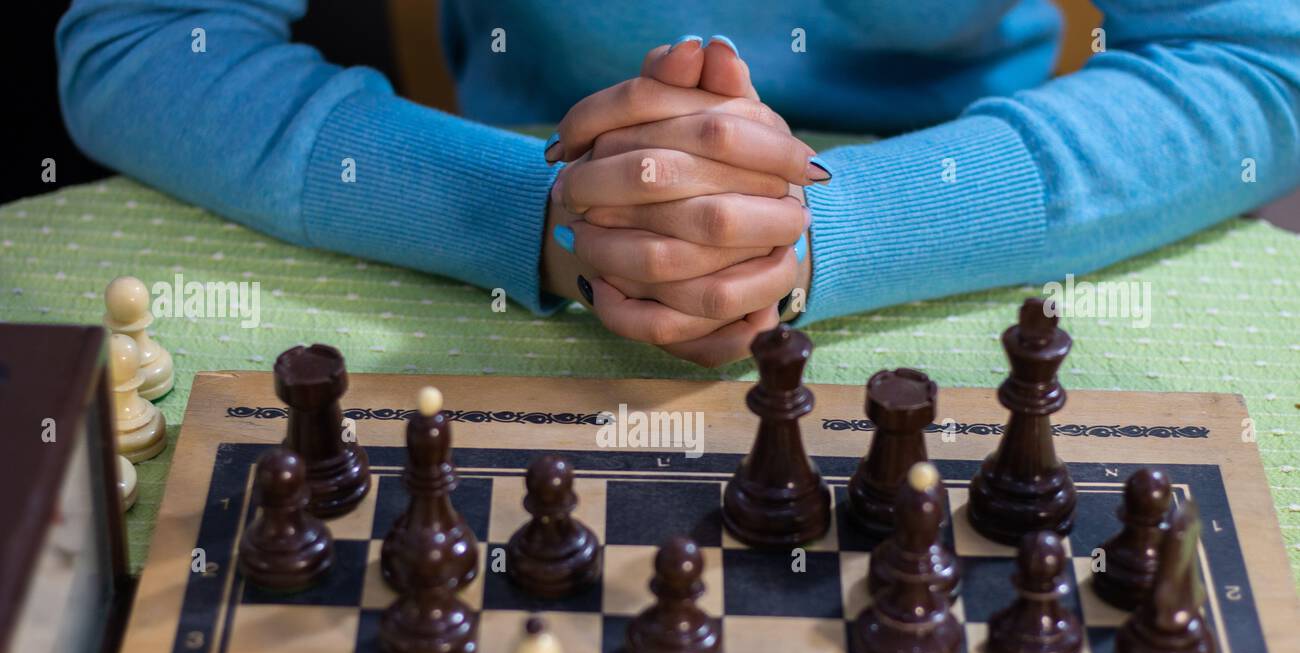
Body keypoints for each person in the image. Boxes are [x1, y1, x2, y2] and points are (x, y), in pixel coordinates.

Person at [56, 2, 1300, 367]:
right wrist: (544, 212)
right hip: (510, 236)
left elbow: (1260, 61)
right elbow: (147, 39)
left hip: (977, 235)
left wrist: (829, 220)